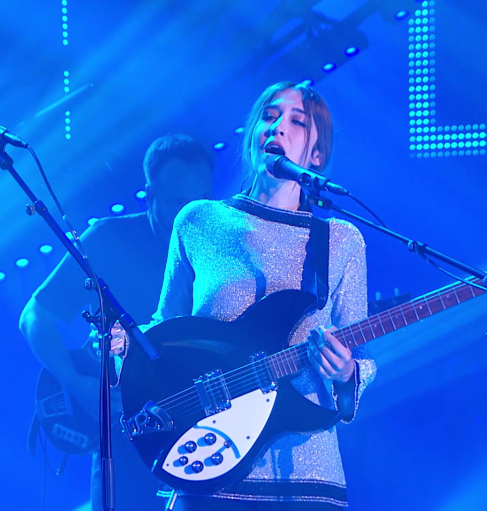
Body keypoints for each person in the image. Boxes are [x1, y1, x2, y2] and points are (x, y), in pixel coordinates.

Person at [149, 82, 376, 510]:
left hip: (307, 476)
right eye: (269, 116)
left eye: (297, 121)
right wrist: (125, 344)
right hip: (208, 466)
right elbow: (166, 329)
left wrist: (346, 372)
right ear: (252, 135)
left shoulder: (341, 241)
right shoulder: (199, 221)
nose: (278, 127)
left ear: (316, 155)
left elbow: (360, 355)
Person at [19, 134, 214, 510]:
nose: (192, 214)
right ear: (150, 195)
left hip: (206, 435)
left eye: (202, 202)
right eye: (178, 204)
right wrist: (77, 383)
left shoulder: (219, 246)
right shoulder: (109, 239)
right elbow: (34, 317)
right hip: (126, 447)